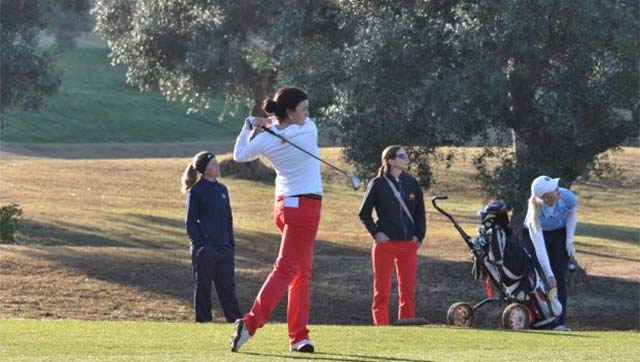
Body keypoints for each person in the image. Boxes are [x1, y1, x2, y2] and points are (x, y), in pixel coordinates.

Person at [230, 87, 322, 353]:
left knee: (300, 273)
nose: (308, 113)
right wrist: (267, 123)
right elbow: (285, 126)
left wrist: (250, 125)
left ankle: (299, 337)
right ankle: (250, 323)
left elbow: (240, 154)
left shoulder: (266, 139)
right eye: (303, 108)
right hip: (305, 209)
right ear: (291, 112)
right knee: (285, 270)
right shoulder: (308, 129)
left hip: (283, 207)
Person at [358, 145, 426, 325]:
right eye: (402, 156)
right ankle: (381, 326)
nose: (407, 159)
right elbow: (364, 213)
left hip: (408, 244)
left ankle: (407, 323)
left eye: (406, 156)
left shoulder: (412, 183)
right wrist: (376, 233)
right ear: (390, 161)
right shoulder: (377, 183)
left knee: (408, 290)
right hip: (385, 245)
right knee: (382, 290)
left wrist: (418, 236)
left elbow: (420, 212)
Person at [182, 151, 242, 323]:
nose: (217, 167)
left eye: (217, 163)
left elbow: (228, 219)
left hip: (224, 247)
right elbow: (190, 222)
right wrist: (200, 245)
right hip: (205, 249)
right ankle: (203, 322)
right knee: (203, 287)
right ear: (204, 170)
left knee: (227, 288)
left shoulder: (222, 189)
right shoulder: (196, 191)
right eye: (213, 165)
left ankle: (236, 323)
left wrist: (230, 243)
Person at [522, 175, 578, 331]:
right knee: (538, 276)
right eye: (554, 189)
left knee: (559, 276)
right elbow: (539, 247)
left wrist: (569, 239)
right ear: (545, 197)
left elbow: (572, 214)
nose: (558, 189)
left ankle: (558, 323)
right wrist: (548, 274)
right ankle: (536, 319)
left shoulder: (566, 196)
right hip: (535, 235)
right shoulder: (534, 213)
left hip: (560, 233)